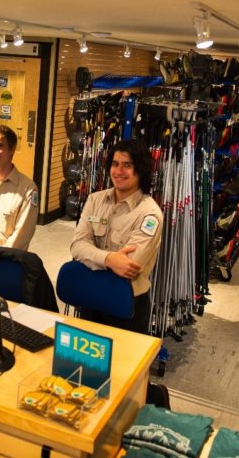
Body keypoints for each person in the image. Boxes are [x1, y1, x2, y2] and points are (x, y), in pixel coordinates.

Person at [70, 139, 163, 334]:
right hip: (91, 296)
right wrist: (110, 259)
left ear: (141, 169)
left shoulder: (149, 215)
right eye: (115, 164)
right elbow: (77, 246)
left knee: (124, 363)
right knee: (86, 361)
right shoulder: (95, 200)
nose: (118, 171)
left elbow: (128, 265)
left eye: (127, 165)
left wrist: (92, 255)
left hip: (126, 305)